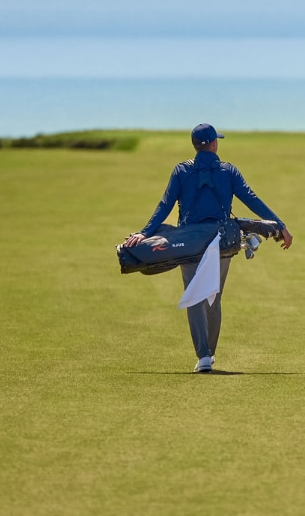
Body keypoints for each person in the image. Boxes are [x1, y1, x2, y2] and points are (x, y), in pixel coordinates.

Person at [122, 123, 292, 372]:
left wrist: (144, 233)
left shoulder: (181, 171)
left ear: (195, 145)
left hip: (188, 242)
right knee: (213, 295)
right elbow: (251, 199)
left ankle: (202, 356)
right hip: (221, 241)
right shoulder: (228, 171)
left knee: (194, 296)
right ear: (213, 144)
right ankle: (210, 353)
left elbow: (164, 205)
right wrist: (280, 226)